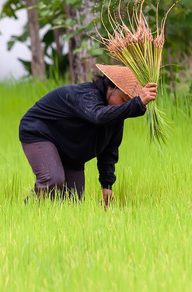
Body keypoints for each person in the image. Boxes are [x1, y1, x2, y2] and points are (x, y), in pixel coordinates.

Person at [18, 64, 157, 208]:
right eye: (123, 100)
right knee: (52, 179)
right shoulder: (86, 95)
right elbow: (97, 116)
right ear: (111, 88)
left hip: (70, 148)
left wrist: (107, 185)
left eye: (128, 104)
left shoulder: (114, 116)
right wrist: (136, 103)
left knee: (73, 204)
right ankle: (27, 211)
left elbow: (109, 149)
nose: (123, 107)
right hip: (40, 132)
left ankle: (51, 225)